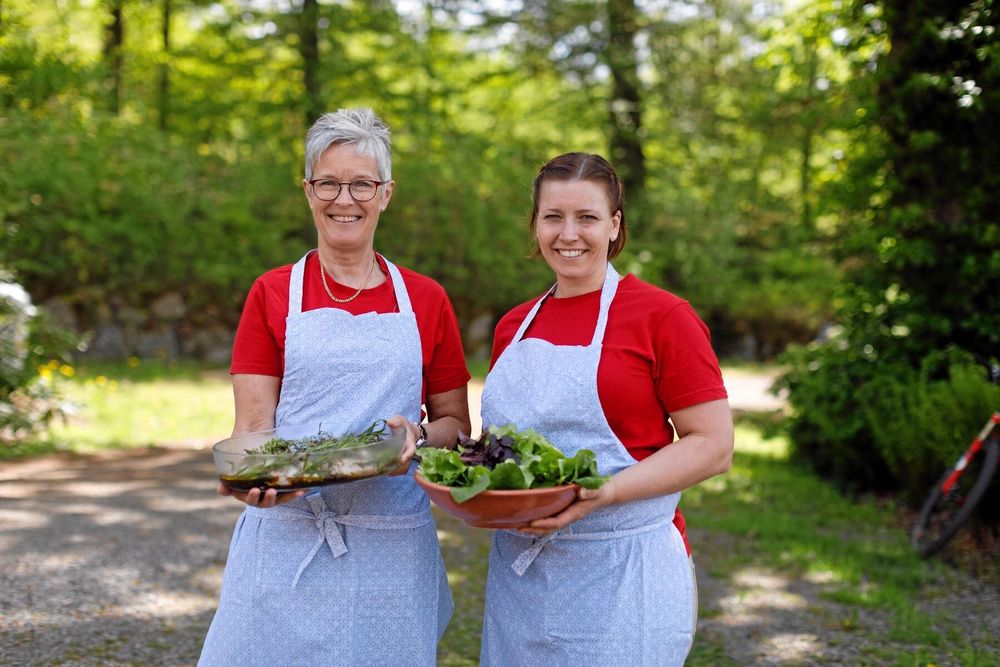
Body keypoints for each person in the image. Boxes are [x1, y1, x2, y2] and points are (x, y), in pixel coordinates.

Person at [198, 108, 471, 666]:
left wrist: (417, 436)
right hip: (288, 535)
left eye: (362, 184)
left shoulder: (426, 299)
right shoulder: (272, 293)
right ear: (307, 190)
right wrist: (251, 482)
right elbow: (252, 429)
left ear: (386, 193)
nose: (344, 199)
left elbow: (458, 427)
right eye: (328, 182)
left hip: (392, 541)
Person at [479, 152, 733, 666]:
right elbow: (499, 448)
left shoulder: (662, 317)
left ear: (615, 226)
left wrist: (606, 491)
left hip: (624, 571)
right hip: (522, 575)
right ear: (535, 225)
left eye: (587, 218)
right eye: (553, 217)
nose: (568, 233)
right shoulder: (513, 326)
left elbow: (713, 446)